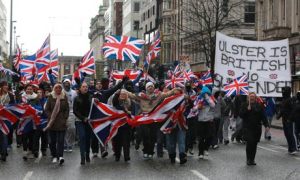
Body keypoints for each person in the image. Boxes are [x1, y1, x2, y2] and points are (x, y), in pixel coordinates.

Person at [126, 82, 180, 159]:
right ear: (146, 88)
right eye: (148, 86)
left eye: (151, 86)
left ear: (154, 88)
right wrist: (123, 91)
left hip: (154, 118)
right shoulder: (141, 96)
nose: (150, 87)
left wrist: (174, 90)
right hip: (144, 118)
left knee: (152, 136)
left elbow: (168, 94)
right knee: (145, 135)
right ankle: (145, 151)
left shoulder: (158, 95)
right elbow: (132, 95)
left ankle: (151, 151)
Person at [240, 92, 269, 165]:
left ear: (255, 98)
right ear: (248, 98)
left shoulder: (259, 105)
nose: (252, 98)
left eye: (253, 96)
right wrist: (247, 110)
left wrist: (266, 125)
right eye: (250, 96)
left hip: (256, 128)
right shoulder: (244, 105)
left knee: (254, 144)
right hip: (247, 128)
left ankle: (252, 159)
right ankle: (248, 159)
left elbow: (263, 116)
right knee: (250, 143)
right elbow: (241, 115)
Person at [45, 83, 69, 165]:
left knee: (61, 140)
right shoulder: (51, 97)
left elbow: (67, 109)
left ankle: (60, 156)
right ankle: (54, 155)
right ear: (54, 89)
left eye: (60, 88)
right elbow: (47, 109)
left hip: (61, 122)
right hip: (52, 122)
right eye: (56, 88)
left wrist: (65, 118)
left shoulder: (64, 96)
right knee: (52, 141)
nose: (58, 89)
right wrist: (51, 116)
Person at [111, 89, 132, 162]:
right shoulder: (116, 102)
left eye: (124, 94)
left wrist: (129, 114)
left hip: (126, 126)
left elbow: (132, 114)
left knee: (126, 142)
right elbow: (114, 101)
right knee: (117, 142)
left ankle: (127, 156)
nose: (123, 95)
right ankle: (117, 155)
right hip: (117, 126)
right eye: (121, 94)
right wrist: (117, 94)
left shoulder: (129, 103)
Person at [277, 87, 299, 154]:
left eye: (284, 91)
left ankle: (294, 148)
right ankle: (290, 148)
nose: (283, 92)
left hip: (290, 120)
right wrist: (279, 116)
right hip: (284, 119)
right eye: (283, 91)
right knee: (287, 134)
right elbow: (283, 110)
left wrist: (290, 118)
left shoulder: (291, 100)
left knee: (291, 134)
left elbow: (293, 110)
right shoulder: (284, 100)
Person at [196, 86, 215, 159]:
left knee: (210, 136)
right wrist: (198, 107)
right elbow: (193, 109)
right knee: (201, 138)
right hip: (201, 121)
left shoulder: (211, 98)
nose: (203, 93)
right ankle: (200, 153)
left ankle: (206, 148)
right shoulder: (198, 98)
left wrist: (206, 97)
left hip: (209, 120)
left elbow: (213, 105)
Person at [21, 84, 39, 160]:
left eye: (30, 89)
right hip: (24, 120)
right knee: (24, 136)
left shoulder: (36, 97)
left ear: (33, 90)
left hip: (32, 120)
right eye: (27, 89)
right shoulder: (22, 97)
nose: (29, 90)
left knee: (31, 136)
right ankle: (25, 151)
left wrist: (33, 108)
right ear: (25, 90)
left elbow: (38, 106)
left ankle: (31, 150)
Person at [0, 81, 15, 161]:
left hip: (6, 118)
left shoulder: (11, 95)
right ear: (1, 86)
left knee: (4, 134)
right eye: (4, 85)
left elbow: (13, 106)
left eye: (7, 85)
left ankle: (4, 152)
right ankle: (2, 150)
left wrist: (6, 107)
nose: (6, 87)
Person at [32, 88, 48, 157]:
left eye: (40, 92)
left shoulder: (46, 101)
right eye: (38, 92)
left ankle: (43, 149)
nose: (39, 94)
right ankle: (35, 150)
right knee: (36, 136)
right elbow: (32, 109)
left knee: (44, 136)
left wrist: (43, 112)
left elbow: (48, 110)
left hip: (45, 120)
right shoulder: (34, 101)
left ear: (43, 93)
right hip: (37, 121)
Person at [62, 79, 77, 152]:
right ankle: (65, 144)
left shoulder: (74, 92)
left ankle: (70, 144)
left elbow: (76, 102)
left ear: (70, 84)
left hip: (72, 112)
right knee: (64, 128)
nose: (66, 84)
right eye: (65, 82)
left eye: (68, 82)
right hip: (63, 112)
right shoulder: (61, 92)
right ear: (63, 84)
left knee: (72, 128)